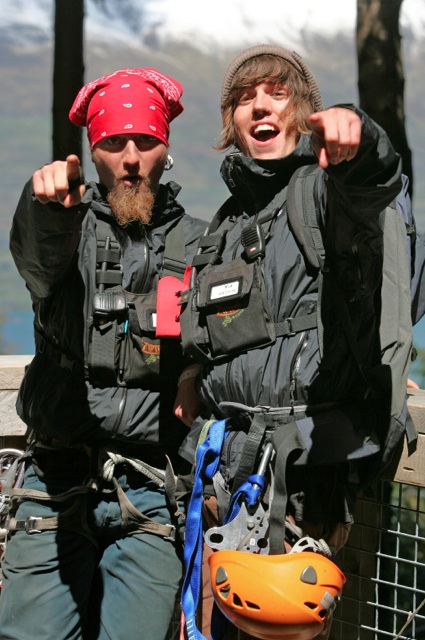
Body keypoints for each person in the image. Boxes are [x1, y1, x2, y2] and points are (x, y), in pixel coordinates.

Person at [173, 45, 416, 640]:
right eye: (243, 98)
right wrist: (191, 374)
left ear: (303, 110)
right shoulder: (225, 228)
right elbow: (222, 337)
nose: (259, 105)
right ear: (231, 125)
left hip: (308, 483)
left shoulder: (324, 193)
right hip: (228, 484)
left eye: (276, 93)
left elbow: (374, 190)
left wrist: (359, 147)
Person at [0, 67, 207, 640]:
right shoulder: (64, 225)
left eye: (146, 140)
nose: (132, 157)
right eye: (115, 142)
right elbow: (37, 260)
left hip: (151, 488)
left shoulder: (201, 244)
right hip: (53, 482)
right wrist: (46, 209)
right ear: (95, 152)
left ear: (166, 148)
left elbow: (241, 339)